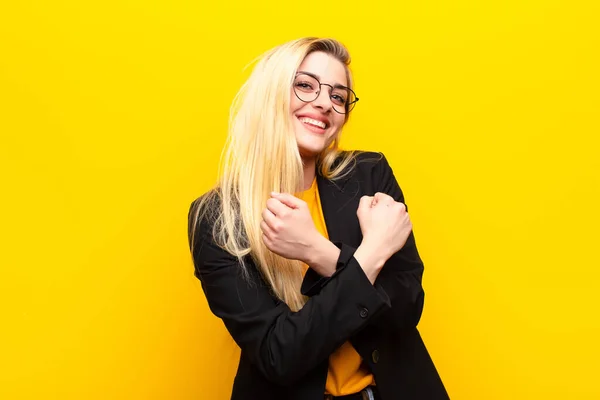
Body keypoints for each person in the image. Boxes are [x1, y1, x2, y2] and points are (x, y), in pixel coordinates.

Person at [187, 37, 448, 400]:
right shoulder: (219, 219)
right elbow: (280, 354)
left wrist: (318, 252)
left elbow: (406, 308)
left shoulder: (369, 177)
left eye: (338, 96)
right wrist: (369, 256)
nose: (325, 103)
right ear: (271, 94)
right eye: (305, 86)